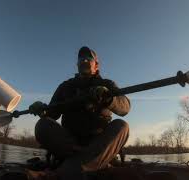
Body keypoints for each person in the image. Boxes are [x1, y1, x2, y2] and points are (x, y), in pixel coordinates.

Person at [29, 46, 130, 179]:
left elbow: (125, 107)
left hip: (98, 142)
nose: (85, 61)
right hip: (69, 143)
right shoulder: (65, 86)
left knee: (122, 126)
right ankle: (93, 161)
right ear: (77, 64)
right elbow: (52, 114)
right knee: (42, 125)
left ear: (96, 65)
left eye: (89, 58)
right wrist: (42, 110)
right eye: (81, 59)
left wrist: (110, 98)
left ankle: (70, 168)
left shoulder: (107, 83)